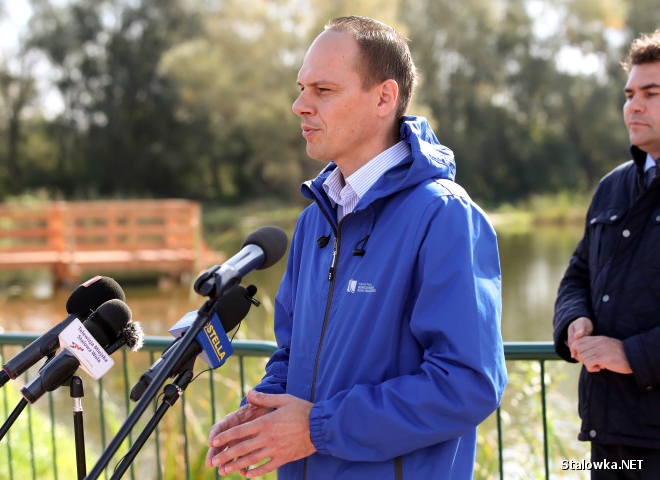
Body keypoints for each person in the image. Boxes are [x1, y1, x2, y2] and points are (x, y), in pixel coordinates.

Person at [205, 15, 507, 479]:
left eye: (323, 91)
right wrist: (263, 410)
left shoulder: (444, 216)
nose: (299, 105)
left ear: (385, 97)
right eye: (301, 88)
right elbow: (292, 354)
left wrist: (317, 428)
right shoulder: (313, 223)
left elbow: (467, 384)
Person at [553, 29, 660, 478]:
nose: (633, 105)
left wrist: (631, 355)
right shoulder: (612, 187)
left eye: (651, 94)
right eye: (629, 93)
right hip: (610, 437)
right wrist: (574, 320)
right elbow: (579, 273)